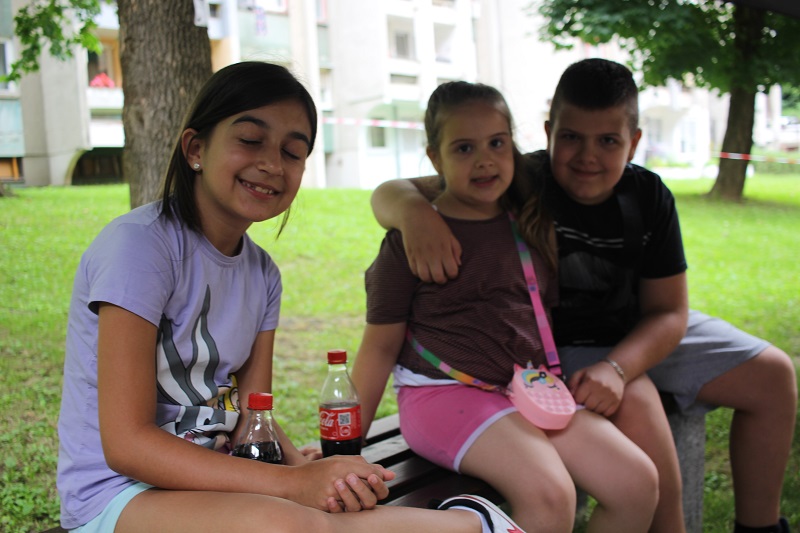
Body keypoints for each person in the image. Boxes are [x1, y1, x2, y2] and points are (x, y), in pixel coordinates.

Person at [56, 61, 525, 533]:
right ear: (196, 148)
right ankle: (472, 526)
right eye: (250, 140)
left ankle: (473, 524)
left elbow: (252, 413)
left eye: (293, 151)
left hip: (216, 483)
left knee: (316, 512)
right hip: (118, 494)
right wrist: (293, 483)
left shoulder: (262, 274)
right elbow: (127, 445)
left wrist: (312, 470)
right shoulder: (140, 247)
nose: (273, 165)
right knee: (286, 524)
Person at [370, 58, 797, 533]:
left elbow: (669, 312)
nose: (587, 157)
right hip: (558, 346)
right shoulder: (519, 177)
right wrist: (412, 213)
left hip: (631, 330)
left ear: (634, 141)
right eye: (571, 137)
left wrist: (619, 366)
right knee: (641, 429)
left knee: (773, 375)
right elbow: (401, 190)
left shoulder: (646, 194)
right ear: (549, 133)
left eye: (608, 141)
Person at [352, 80, 659, 533]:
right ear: (434, 158)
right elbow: (379, 348)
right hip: (442, 395)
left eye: (497, 143)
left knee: (637, 482)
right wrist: (344, 448)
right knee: (551, 495)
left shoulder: (529, 223)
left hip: (527, 391)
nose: (485, 159)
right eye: (464, 148)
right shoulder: (411, 241)